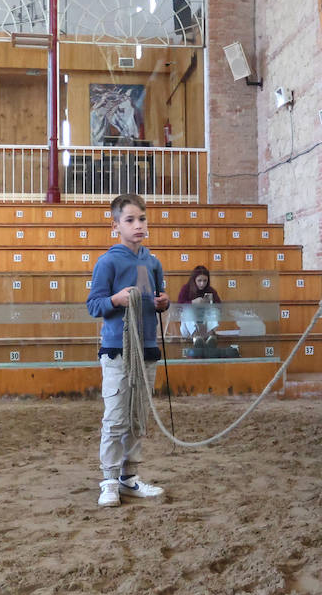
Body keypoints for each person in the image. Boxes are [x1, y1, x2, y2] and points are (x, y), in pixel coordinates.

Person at [85, 193, 170, 507]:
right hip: (117, 350)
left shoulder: (152, 262)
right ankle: (109, 479)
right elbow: (94, 305)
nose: (138, 225)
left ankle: (129, 478)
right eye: (130, 220)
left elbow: (157, 298)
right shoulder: (107, 262)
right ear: (116, 226)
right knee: (116, 417)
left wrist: (163, 303)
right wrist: (115, 300)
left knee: (137, 417)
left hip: (147, 348)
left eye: (142, 219)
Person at [176, 265, 222, 344]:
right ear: (194, 280)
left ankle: (211, 336)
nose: (202, 284)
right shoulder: (186, 289)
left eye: (205, 281)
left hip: (205, 326)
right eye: (199, 280)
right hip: (188, 328)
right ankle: (196, 337)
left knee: (213, 310)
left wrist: (210, 304)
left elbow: (219, 307)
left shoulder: (210, 290)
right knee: (187, 310)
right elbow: (179, 306)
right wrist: (192, 302)